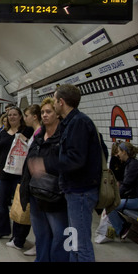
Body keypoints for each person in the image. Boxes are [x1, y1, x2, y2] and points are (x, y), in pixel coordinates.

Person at [53, 84, 102, 262]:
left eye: (54, 100)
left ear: (61, 102)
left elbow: (76, 159)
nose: (53, 103)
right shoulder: (70, 123)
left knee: (81, 244)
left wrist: (47, 164)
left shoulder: (79, 123)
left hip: (81, 191)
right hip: (73, 190)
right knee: (73, 241)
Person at [20, 97, 69, 262]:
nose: (45, 115)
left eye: (49, 111)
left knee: (59, 234)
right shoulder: (39, 136)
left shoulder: (63, 136)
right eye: (42, 112)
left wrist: (45, 166)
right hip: (36, 193)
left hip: (55, 195)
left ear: (57, 114)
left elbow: (68, 163)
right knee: (41, 234)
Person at [0, 106, 34, 249]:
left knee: (19, 206)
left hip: (20, 175)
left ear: (20, 116)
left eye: (15, 114)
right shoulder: (3, 133)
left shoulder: (27, 131)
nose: (12, 117)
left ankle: (18, 235)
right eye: (10, 115)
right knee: (0, 202)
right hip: (4, 174)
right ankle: (3, 230)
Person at [107, 142, 138, 239]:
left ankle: (122, 228)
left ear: (125, 152)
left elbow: (126, 185)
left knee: (109, 205)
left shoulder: (133, 165)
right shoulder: (131, 164)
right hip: (136, 198)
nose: (118, 154)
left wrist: (115, 198)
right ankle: (122, 226)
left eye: (119, 151)